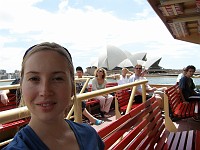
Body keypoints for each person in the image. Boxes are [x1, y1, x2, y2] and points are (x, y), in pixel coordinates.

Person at [3, 42, 104, 149]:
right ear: (21, 86)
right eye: (34, 78)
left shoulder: (90, 135)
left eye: (57, 78)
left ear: (72, 87)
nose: (45, 91)